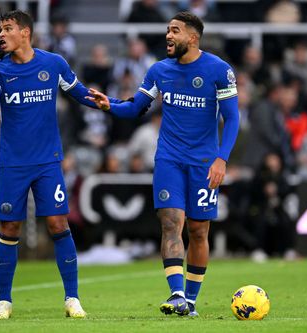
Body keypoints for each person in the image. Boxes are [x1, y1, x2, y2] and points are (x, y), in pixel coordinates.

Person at [87, 11, 240, 317]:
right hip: (169, 159)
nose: (168, 36)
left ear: (192, 38)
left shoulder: (219, 70)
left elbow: (232, 117)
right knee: (171, 222)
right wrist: (110, 106)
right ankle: (177, 294)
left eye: (175, 31)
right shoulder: (159, 71)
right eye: (168, 30)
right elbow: (136, 108)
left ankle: (191, 300)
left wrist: (222, 159)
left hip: (204, 163)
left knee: (198, 231)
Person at [0, 10, 120, 319]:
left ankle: (72, 298)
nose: (1, 34)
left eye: (8, 28)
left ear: (25, 33)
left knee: (58, 223)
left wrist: (105, 102)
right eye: (0, 28)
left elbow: (77, 92)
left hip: (47, 162)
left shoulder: (53, 63)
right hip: (13, 163)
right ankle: (4, 301)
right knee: (9, 227)